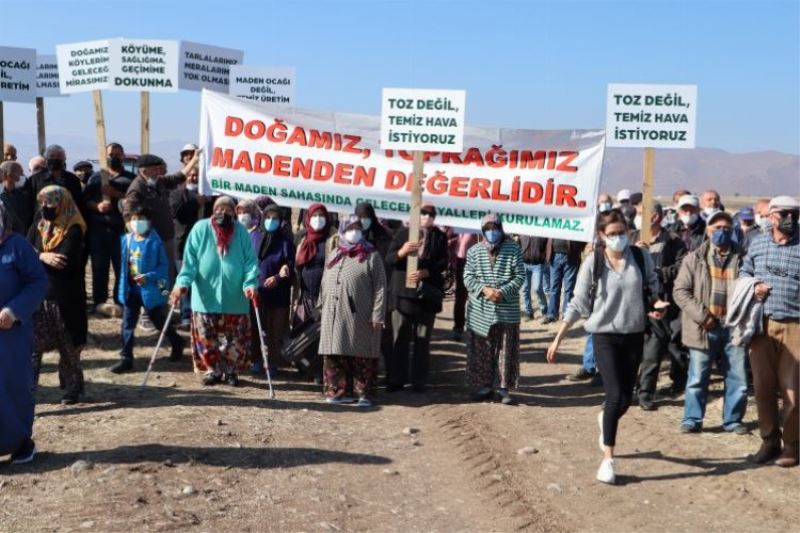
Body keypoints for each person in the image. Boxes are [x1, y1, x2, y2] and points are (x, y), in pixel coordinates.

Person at [547, 209, 661, 484]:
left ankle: (605, 420)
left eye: (622, 233)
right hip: (604, 336)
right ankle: (608, 460)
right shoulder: (594, 261)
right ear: (601, 236)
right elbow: (579, 302)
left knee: (624, 398)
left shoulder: (640, 256)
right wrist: (558, 337)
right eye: (612, 235)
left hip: (634, 334)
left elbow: (653, 288)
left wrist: (657, 305)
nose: (618, 238)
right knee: (613, 396)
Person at [673, 210, 748, 433]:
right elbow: (681, 291)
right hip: (704, 327)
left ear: (733, 230)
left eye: (726, 228)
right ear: (708, 230)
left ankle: (733, 421)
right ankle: (692, 419)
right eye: (717, 228)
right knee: (697, 376)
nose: (721, 232)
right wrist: (703, 316)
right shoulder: (694, 258)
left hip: (735, 327)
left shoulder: (743, 258)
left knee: (738, 378)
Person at [170, 196, 259, 386]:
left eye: (228, 210)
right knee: (206, 338)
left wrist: (250, 283)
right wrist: (182, 283)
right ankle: (213, 370)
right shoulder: (200, 229)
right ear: (213, 210)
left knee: (234, 339)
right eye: (219, 209)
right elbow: (190, 262)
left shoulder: (241, 232)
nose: (223, 213)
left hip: (235, 297)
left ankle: (232, 371)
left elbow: (251, 262)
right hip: (205, 298)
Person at [739, 195, 800, 468]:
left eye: (794, 214)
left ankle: (792, 446)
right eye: (784, 213)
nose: (789, 219)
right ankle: (769, 441)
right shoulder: (758, 242)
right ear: (771, 215)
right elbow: (744, 272)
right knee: (763, 387)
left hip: (795, 326)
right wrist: (752, 287)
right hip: (761, 325)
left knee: (792, 391)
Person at [318, 214, 386, 406]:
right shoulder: (334, 254)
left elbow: (381, 286)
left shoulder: (371, 255)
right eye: (349, 228)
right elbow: (325, 280)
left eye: (357, 228)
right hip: (333, 314)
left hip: (361, 316)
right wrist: (320, 306)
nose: (353, 232)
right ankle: (338, 392)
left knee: (361, 355)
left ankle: (363, 393)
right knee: (335, 352)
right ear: (342, 231)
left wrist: (378, 314)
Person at [29, 185, 88, 404]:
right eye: (42, 202)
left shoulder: (73, 227)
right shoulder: (39, 223)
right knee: (33, 346)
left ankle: (73, 389)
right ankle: (28, 388)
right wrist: (42, 256)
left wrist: (38, 258)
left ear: (62, 203)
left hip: (65, 296)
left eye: (50, 202)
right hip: (39, 296)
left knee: (69, 347)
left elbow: (64, 262)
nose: (45, 207)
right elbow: (26, 249)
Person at [0, 203, 49, 464]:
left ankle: (19, 442)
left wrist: (14, 311)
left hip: (9, 335)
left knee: (12, 386)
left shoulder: (16, 246)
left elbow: (38, 282)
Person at [111, 206, 185, 373]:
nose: (138, 223)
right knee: (127, 324)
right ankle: (126, 357)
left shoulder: (154, 242)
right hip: (130, 289)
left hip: (150, 289)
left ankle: (176, 341)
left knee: (157, 319)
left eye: (142, 219)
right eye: (134, 219)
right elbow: (122, 266)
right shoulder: (126, 240)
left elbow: (163, 267)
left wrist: (148, 277)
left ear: (149, 222)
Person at [385, 203, 448, 392]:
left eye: (431, 214)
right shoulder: (404, 233)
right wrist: (402, 252)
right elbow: (389, 259)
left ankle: (419, 381)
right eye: (423, 213)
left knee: (422, 340)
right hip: (403, 295)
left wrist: (426, 272)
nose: (427, 217)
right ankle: (396, 379)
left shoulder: (439, 236)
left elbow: (443, 262)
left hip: (426, 296)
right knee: (400, 338)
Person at [464, 214, 525, 404]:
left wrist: (503, 291)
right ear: (483, 231)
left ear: (501, 228)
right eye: (488, 229)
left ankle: (503, 388)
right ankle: (484, 386)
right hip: (480, 310)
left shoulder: (513, 249)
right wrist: (484, 290)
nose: (492, 232)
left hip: (506, 309)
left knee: (505, 349)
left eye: (495, 228)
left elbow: (520, 276)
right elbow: (468, 277)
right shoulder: (474, 251)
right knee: (482, 349)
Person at [633, 203, 688, 410]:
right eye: (638, 214)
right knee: (632, 351)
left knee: (653, 350)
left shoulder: (673, 241)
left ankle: (646, 393)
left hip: (661, 302)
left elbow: (681, 266)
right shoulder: (630, 237)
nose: (640, 217)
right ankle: (629, 389)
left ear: (657, 217)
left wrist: (658, 273)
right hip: (634, 302)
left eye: (643, 213)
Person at [125, 152, 200, 282]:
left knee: (167, 272)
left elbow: (179, 177)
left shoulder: (158, 181)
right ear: (144, 171)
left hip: (166, 236)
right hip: (151, 240)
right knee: (153, 274)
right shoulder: (137, 189)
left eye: (159, 169)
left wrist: (194, 160)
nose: (158, 172)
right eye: (154, 169)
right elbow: (128, 216)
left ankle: (164, 299)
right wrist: (138, 241)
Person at [84, 143, 136, 313]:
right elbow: (85, 201)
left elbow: (136, 200)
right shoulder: (96, 178)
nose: (113, 157)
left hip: (121, 230)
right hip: (98, 230)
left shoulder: (130, 179)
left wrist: (116, 194)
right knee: (99, 267)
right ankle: (99, 302)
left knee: (121, 268)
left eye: (117, 154)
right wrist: (97, 206)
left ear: (123, 156)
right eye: (110, 154)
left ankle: (120, 302)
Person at [251, 203, 295, 374]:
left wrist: (278, 277)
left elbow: (289, 266)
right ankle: (255, 359)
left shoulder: (286, 242)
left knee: (275, 330)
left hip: (278, 294)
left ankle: (273, 362)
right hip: (257, 291)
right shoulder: (255, 237)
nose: (271, 221)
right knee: (256, 328)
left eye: (275, 218)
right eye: (268, 217)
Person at [170, 165, 211, 327]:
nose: (193, 178)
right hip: (183, 245)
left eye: (196, 175)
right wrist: (196, 202)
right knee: (185, 280)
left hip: (206, 247)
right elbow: (177, 212)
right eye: (191, 175)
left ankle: (200, 314)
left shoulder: (209, 196)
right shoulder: (176, 194)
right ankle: (186, 315)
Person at [28, 145, 85, 220]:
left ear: (64, 159)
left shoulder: (73, 179)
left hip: (67, 222)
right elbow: (29, 203)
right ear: (46, 159)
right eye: (52, 156)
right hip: (42, 222)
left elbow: (78, 202)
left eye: (59, 156)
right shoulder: (35, 179)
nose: (55, 158)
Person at [543, 238, 583, 323]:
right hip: (554, 256)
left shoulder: (580, 224)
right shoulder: (555, 224)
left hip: (571, 257)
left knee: (568, 289)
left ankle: (566, 314)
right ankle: (552, 314)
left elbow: (584, 238)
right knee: (554, 287)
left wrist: (577, 249)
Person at [452, 231, 478, 340]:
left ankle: (476, 329)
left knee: (477, 296)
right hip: (460, 260)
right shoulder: (460, 223)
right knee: (460, 296)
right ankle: (458, 327)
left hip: (477, 259)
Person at [518, 234, 549, 321]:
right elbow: (518, 245)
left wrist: (545, 257)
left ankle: (544, 309)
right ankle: (529, 313)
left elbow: (548, 245)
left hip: (538, 264)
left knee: (537, 288)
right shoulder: (522, 233)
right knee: (525, 289)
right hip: (524, 264)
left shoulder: (541, 232)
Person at [0, 161, 33, 234]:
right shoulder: (1, 197)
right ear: (9, 175)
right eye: (20, 173)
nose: (22, 176)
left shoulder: (23, 196)